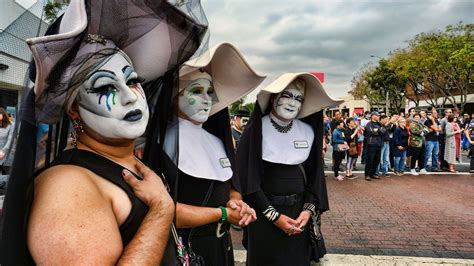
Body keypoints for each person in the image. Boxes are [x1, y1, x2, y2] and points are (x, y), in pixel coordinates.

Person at [0, 0, 208, 264]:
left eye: (132, 81)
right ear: (73, 109)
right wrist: (162, 210)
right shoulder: (66, 187)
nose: (129, 97)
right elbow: (158, 211)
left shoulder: (128, 159)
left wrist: (221, 213)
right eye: (105, 88)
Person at [161, 43, 263, 266]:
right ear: (173, 96)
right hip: (184, 251)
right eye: (196, 91)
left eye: (210, 92)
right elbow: (163, 212)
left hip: (221, 247)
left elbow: (232, 187)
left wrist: (237, 204)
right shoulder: (161, 144)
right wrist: (223, 214)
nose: (207, 99)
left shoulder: (218, 141)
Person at [237, 72, 342, 265]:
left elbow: (314, 178)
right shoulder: (256, 131)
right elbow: (248, 181)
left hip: (298, 216)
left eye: (299, 98)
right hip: (264, 217)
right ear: (273, 98)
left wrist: (307, 211)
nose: (293, 103)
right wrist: (274, 217)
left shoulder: (308, 131)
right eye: (287, 95)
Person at [364, 111, 386, 181]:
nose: (378, 116)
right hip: (371, 144)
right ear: (373, 116)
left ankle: (373, 173)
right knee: (370, 160)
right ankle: (367, 174)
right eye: (377, 115)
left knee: (377, 160)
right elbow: (370, 132)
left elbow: (383, 132)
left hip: (379, 144)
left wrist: (377, 131)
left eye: (378, 115)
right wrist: (378, 131)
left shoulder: (379, 124)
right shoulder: (369, 124)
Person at [424, 107, 441, 172]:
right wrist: (433, 121)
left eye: (436, 113)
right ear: (431, 114)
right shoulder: (427, 121)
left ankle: (434, 166)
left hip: (436, 139)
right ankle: (424, 166)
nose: (436, 114)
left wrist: (436, 128)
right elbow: (436, 129)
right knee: (427, 154)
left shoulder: (437, 120)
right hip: (429, 140)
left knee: (435, 154)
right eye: (435, 113)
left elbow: (440, 129)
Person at [0, 108, 14, 175]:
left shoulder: (10, 125)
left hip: (6, 154)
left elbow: (10, 139)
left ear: (3, 114)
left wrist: (3, 151)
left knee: (6, 176)